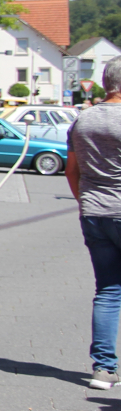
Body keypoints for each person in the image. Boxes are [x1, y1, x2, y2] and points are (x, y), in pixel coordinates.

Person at [67, 59, 121, 390]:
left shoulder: (82, 121)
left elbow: (71, 171)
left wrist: (84, 201)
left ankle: (103, 368)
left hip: (94, 213)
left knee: (108, 291)